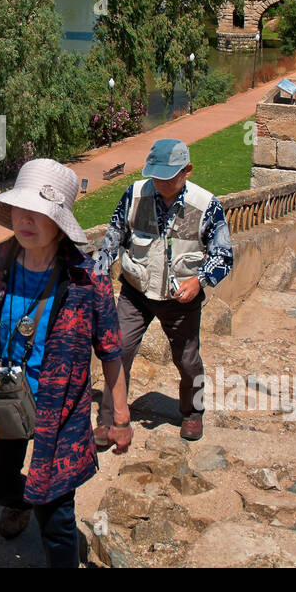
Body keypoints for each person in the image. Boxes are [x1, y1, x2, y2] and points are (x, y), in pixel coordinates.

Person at [0, 159, 131, 567]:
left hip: (61, 409)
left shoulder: (88, 281)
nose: (25, 219)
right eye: (19, 208)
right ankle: (24, 501)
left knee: (57, 518)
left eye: (39, 212)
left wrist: (119, 416)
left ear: (60, 220)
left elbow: (111, 352)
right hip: (4, 399)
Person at [93, 139, 234, 443]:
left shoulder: (206, 205)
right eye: (156, 175)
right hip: (136, 291)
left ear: (187, 171)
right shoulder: (135, 194)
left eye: (169, 176)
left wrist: (199, 281)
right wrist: (98, 271)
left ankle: (193, 413)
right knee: (118, 351)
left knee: (187, 359)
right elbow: (114, 237)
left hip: (181, 298)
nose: (160, 182)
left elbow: (223, 255)